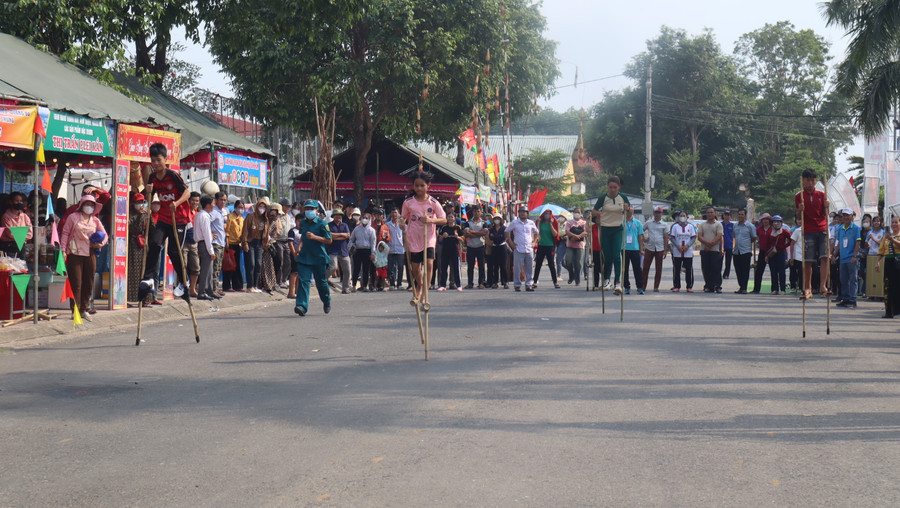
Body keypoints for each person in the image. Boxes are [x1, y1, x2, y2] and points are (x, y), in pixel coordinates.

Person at [141, 143, 192, 300]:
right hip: (164, 218)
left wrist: (176, 203)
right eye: (153, 161)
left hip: (180, 219)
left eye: (158, 160)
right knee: (155, 243)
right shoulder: (152, 177)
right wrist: (147, 193)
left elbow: (187, 193)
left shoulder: (173, 175)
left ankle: (184, 281)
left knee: (173, 251)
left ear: (165, 159)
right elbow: (148, 195)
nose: (156, 164)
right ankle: (149, 278)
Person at [401, 170, 447, 304]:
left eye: (422, 185)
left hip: (429, 238)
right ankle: (419, 285)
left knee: (429, 263)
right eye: (417, 186)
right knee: (415, 268)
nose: (419, 188)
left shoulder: (433, 202)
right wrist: (401, 224)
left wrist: (431, 221)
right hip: (414, 238)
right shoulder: (408, 202)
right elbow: (403, 218)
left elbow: (443, 219)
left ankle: (425, 291)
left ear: (428, 186)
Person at [60, 195, 107, 321]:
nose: (89, 207)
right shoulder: (73, 217)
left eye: (92, 205)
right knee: (76, 283)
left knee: (89, 281)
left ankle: (84, 309)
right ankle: (75, 310)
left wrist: (100, 244)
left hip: (90, 253)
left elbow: (105, 235)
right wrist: (63, 250)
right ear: (81, 205)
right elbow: (65, 233)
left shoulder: (95, 220)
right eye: (87, 204)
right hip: (75, 253)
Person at [795, 169, 831, 300]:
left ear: (816, 181)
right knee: (808, 260)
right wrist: (800, 210)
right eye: (807, 180)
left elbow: (825, 214)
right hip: (808, 230)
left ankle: (823, 286)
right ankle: (808, 287)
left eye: (812, 180)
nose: (810, 183)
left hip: (822, 228)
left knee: (825, 257)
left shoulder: (822, 195)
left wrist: (827, 206)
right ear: (803, 180)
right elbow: (799, 217)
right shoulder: (799, 196)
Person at [293, 199, 333, 316]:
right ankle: (301, 306)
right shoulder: (303, 223)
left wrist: (315, 237)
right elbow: (302, 237)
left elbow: (329, 240)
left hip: (319, 257)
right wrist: (299, 247)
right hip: (305, 256)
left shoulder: (322, 224)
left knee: (321, 283)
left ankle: (326, 300)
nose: (309, 211)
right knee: (304, 281)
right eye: (307, 209)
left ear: (316, 211)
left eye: (311, 209)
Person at [592, 175, 630, 295]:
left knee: (616, 255)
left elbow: (629, 213)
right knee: (607, 256)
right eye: (610, 187)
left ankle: (618, 282)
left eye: (615, 187)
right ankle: (607, 280)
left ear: (618, 187)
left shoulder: (623, 197)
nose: (612, 190)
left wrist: (627, 209)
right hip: (605, 228)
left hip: (617, 228)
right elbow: (594, 210)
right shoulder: (603, 198)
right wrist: (598, 213)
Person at [506, 206, 539, 292]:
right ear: (518, 213)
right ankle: (517, 285)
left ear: (527, 213)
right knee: (517, 268)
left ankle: (528, 285)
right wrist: (510, 242)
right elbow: (506, 231)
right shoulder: (514, 223)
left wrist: (534, 242)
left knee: (529, 268)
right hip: (518, 248)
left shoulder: (531, 223)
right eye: (521, 212)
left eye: (524, 212)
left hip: (529, 248)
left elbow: (536, 232)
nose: (523, 213)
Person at [833, 208, 861, 308]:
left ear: (852, 216)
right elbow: (839, 242)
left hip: (852, 258)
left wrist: (854, 256)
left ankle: (853, 299)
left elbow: (858, 242)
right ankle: (845, 298)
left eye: (847, 215)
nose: (845, 217)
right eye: (844, 215)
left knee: (853, 279)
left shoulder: (856, 228)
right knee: (843, 279)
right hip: (843, 258)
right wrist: (834, 255)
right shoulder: (840, 229)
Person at [193, 195, 219, 300]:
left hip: (202, 243)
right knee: (205, 269)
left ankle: (209, 290)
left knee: (209, 269)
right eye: (213, 203)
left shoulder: (199, 215)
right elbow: (207, 235)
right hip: (204, 244)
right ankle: (202, 291)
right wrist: (211, 251)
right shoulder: (204, 216)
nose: (214, 205)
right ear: (208, 205)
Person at [127, 193, 151, 305]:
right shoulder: (131, 215)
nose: (140, 205)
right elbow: (133, 226)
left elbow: (153, 228)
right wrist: (140, 216)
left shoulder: (146, 215)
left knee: (145, 270)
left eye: (141, 202)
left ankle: (146, 298)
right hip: (133, 244)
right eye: (138, 202)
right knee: (133, 272)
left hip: (143, 245)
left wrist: (149, 216)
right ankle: (132, 297)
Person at [241, 198, 269, 292]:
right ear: (257, 207)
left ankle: (255, 285)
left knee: (258, 264)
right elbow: (245, 231)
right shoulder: (250, 217)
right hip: (250, 242)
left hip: (259, 244)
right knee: (251, 264)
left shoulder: (265, 219)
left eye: (264, 207)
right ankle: (250, 286)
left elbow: (266, 233)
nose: (262, 208)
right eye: (260, 206)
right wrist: (245, 243)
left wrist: (264, 245)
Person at [876, 216, 900, 318]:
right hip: (888, 262)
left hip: (898, 261)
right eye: (893, 222)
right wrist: (878, 262)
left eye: (896, 222)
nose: (894, 224)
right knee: (888, 286)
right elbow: (881, 251)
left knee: (898, 286)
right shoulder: (886, 236)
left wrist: (893, 240)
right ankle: (889, 311)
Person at [641, 206, 668, 292]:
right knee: (645, 267)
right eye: (656, 212)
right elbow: (641, 231)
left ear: (661, 214)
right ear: (653, 213)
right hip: (650, 247)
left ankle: (656, 286)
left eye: (659, 212)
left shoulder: (664, 224)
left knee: (658, 268)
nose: (657, 214)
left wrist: (665, 250)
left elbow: (666, 238)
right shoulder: (649, 223)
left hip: (660, 248)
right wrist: (644, 239)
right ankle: (643, 286)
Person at [697, 206, 724, 293]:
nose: (710, 214)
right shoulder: (702, 225)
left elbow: (719, 236)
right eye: (708, 212)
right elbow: (700, 237)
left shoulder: (718, 224)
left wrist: (710, 245)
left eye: (712, 212)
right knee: (706, 269)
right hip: (704, 250)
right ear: (706, 214)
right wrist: (708, 245)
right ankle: (708, 285)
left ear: (715, 214)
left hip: (715, 250)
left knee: (716, 268)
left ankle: (718, 286)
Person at [326, 209, 352, 294]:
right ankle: (323, 280)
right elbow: (329, 236)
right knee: (333, 267)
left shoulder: (345, 225)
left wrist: (336, 236)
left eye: (340, 215)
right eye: (336, 215)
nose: (338, 217)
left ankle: (345, 288)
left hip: (343, 251)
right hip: (332, 250)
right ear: (333, 216)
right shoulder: (329, 225)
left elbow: (348, 235)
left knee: (347, 270)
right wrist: (342, 235)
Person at [670, 210, 696, 292]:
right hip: (677, 250)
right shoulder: (675, 226)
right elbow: (672, 237)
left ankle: (689, 286)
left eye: (684, 215)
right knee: (677, 269)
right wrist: (677, 245)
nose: (682, 217)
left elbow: (693, 237)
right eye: (680, 215)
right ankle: (676, 286)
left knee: (689, 269)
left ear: (687, 217)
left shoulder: (690, 226)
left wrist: (688, 245)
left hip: (688, 251)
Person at [731, 209, 757, 294]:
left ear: (745, 216)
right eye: (739, 214)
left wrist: (746, 243)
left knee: (745, 270)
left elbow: (754, 237)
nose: (740, 216)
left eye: (742, 214)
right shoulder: (735, 226)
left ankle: (744, 288)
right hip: (736, 251)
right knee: (738, 270)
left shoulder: (750, 226)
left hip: (745, 251)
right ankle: (741, 286)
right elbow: (734, 236)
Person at [0, 191, 33, 258]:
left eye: (20, 201)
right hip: (9, 247)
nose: (19, 203)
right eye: (16, 201)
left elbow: (30, 234)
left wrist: (17, 233)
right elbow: (9, 233)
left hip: (22, 247)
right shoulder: (6, 217)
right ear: (11, 202)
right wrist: (23, 233)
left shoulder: (24, 216)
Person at [533, 209, 560, 289]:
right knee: (538, 264)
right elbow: (537, 232)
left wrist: (551, 224)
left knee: (551, 264)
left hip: (550, 245)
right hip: (541, 245)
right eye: (546, 214)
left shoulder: (554, 222)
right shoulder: (540, 223)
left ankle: (555, 282)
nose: (547, 215)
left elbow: (555, 235)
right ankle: (535, 281)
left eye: (549, 214)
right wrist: (538, 223)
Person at [258, 204, 282, 293]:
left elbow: (275, 235)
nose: (273, 216)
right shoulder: (263, 221)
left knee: (269, 266)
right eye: (271, 214)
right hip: (260, 246)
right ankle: (260, 284)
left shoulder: (275, 223)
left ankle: (269, 285)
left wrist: (268, 242)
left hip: (268, 247)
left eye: (274, 214)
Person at [349, 213, 376, 291]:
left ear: (369, 219)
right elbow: (351, 239)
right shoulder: (357, 229)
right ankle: (354, 285)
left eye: (366, 218)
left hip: (367, 250)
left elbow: (373, 243)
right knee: (356, 269)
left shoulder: (372, 230)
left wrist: (373, 253)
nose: (364, 219)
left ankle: (364, 286)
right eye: (363, 218)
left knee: (366, 269)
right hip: (358, 250)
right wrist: (352, 247)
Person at [463, 207, 488, 289]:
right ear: (472, 213)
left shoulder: (484, 223)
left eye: (478, 211)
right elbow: (466, 233)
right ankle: (470, 283)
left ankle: (481, 283)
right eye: (475, 211)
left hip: (481, 246)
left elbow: (484, 233)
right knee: (470, 266)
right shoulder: (468, 223)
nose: (476, 213)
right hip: (471, 246)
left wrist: (472, 232)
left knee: (481, 265)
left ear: (481, 212)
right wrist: (479, 233)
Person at [223, 199, 245, 292]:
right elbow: (227, 230)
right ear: (235, 207)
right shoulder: (230, 217)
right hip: (230, 243)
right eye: (239, 207)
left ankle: (237, 285)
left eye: (242, 207)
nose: (240, 209)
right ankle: (226, 285)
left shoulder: (241, 218)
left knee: (236, 265)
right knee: (229, 264)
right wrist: (227, 242)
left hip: (238, 244)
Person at [182, 192, 201, 297]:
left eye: (197, 201)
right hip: (184, 242)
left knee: (196, 267)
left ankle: (192, 289)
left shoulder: (198, 214)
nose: (195, 202)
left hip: (194, 243)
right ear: (189, 201)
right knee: (183, 266)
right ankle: (184, 289)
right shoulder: (185, 211)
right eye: (193, 200)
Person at [766, 215, 791, 295]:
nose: (776, 224)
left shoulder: (785, 232)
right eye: (774, 222)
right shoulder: (770, 232)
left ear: (781, 223)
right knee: (773, 271)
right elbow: (767, 244)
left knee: (782, 271)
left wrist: (783, 246)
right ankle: (774, 289)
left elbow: (791, 241)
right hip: (772, 254)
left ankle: (783, 289)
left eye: (778, 222)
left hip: (781, 253)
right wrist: (767, 255)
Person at [438, 212, 463, 291]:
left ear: (454, 218)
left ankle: (458, 285)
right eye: (448, 217)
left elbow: (462, 239)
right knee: (443, 268)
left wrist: (457, 237)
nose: (450, 218)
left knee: (456, 268)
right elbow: (440, 239)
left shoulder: (458, 227)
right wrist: (443, 236)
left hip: (455, 250)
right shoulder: (444, 227)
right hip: (445, 250)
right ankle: (443, 285)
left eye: (451, 217)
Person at [622, 207, 644, 294]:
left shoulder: (638, 223)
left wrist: (641, 249)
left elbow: (640, 236)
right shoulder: (622, 222)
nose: (629, 212)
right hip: (624, 248)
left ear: (633, 211)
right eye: (627, 211)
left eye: (631, 211)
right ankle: (626, 287)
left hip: (635, 248)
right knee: (625, 269)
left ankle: (640, 287)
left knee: (637, 269)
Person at [752, 213, 775, 294]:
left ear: (770, 221)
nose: (765, 221)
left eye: (767, 219)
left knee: (773, 270)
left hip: (771, 252)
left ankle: (774, 289)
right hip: (762, 251)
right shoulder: (759, 229)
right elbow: (754, 236)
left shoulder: (773, 229)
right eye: (764, 219)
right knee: (759, 271)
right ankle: (756, 289)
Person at [210, 192, 228, 296]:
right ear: (216, 200)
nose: (223, 202)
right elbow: (206, 222)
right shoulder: (214, 212)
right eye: (221, 200)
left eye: (225, 200)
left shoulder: (224, 211)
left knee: (219, 266)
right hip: (215, 243)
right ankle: (213, 289)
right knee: (215, 267)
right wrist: (210, 234)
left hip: (222, 242)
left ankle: (216, 287)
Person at [565, 208, 587, 287]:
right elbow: (567, 231)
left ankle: (577, 280)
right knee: (568, 261)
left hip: (580, 245)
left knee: (578, 263)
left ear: (581, 214)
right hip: (570, 245)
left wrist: (578, 237)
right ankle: (571, 274)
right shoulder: (569, 222)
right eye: (575, 212)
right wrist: (574, 236)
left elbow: (585, 232)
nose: (577, 214)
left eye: (578, 212)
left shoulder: (584, 223)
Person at [386, 208, 407, 290]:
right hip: (390, 248)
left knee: (400, 267)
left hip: (400, 248)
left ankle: (399, 283)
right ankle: (392, 284)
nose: (394, 214)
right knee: (390, 267)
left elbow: (406, 235)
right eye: (392, 213)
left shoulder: (402, 225)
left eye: (396, 213)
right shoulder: (387, 225)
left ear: (399, 214)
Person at [487, 214, 508, 288]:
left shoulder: (504, 228)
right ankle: (496, 282)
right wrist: (498, 237)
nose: (497, 220)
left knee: (503, 266)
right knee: (495, 266)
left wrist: (496, 237)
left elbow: (503, 238)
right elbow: (491, 237)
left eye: (498, 218)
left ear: (501, 220)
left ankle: (505, 282)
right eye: (495, 218)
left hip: (502, 247)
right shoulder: (491, 229)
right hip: (495, 247)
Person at [721, 210, 734, 279]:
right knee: (719, 261)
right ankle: (718, 274)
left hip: (729, 245)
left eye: (728, 215)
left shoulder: (732, 225)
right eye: (725, 215)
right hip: (721, 245)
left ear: (730, 217)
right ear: (723, 216)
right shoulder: (720, 224)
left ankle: (726, 274)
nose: (727, 216)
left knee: (728, 261)